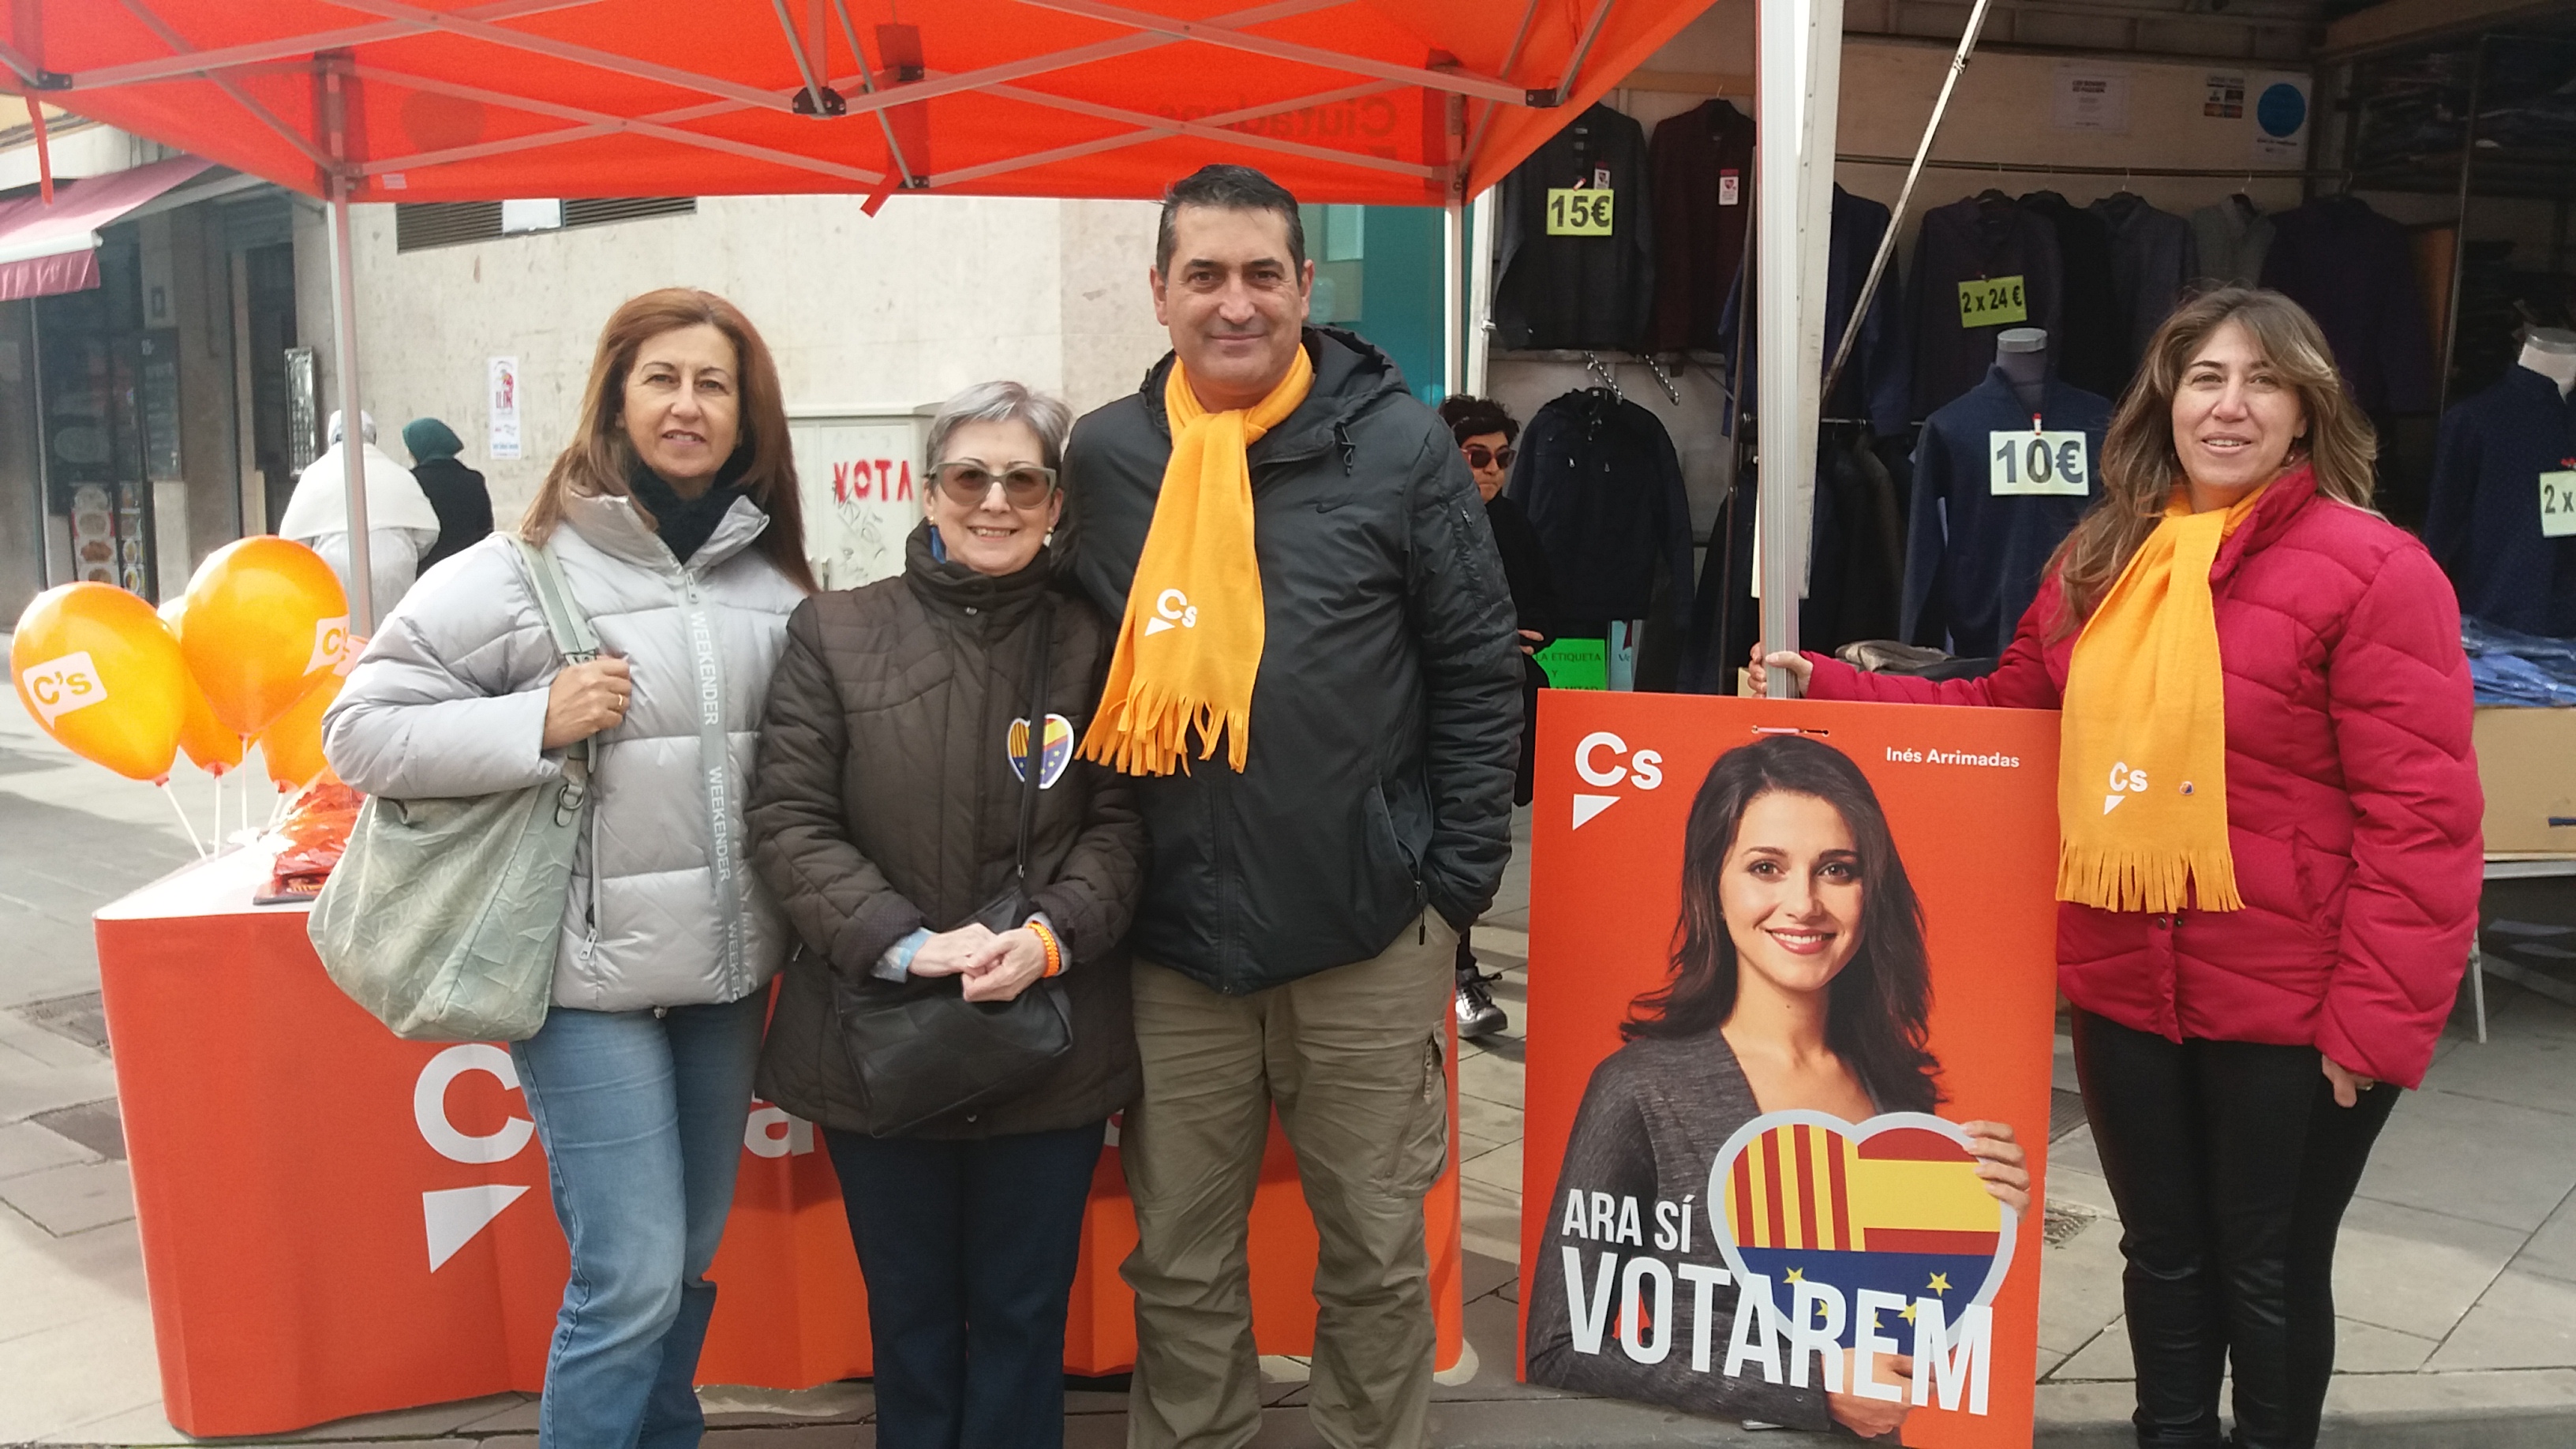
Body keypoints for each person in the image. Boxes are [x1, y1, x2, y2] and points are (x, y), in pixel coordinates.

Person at [1752, 286, 2481, 1449]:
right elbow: (2005, 716)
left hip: (2295, 1006)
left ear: (2307, 412)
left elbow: (2425, 820)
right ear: (2165, 401)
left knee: (2271, 1267)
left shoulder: (2376, 570)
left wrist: (2373, 1026)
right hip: (2126, 984)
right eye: (2205, 379)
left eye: (2262, 382)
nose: (2230, 408)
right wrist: (1830, 688)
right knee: (2165, 1255)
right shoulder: (2102, 559)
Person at [1061, 163, 1522, 1449]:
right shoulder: (1105, 457)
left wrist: (1447, 886)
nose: (1233, 303)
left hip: (1368, 929)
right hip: (1171, 944)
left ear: (1304, 287)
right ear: (1156, 293)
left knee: (1375, 1254)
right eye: (1202, 275)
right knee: (1178, 1260)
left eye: (1262, 273)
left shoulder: (1397, 445)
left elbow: (1480, 667)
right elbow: (1054, 652)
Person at [324, 288, 814, 1448]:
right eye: (663, 379)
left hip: (726, 980)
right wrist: (531, 721)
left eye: (713, 384)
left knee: (688, 1264)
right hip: (581, 987)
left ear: (747, 419)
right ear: (615, 398)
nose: (687, 405)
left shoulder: (778, 589)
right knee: (631, 1272)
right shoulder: (515, 570)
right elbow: (358, 732)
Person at [747, 381, 1147, 1449]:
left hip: (1051, 1038)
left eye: (1024, 479)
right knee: (912, 1322)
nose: (996, 501)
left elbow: (1125, 823)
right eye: (970, 475)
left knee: (1023, 1323)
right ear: (929, 491)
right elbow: (788, 820)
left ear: (1058, 501)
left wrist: (1053, 933)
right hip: (875, 1041)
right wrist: (902, 942)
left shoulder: (1095, 641)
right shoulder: (835, 630)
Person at [1526, 734, 2029, 1439]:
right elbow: (1556, 1347)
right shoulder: (1639, 1089)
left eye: (1837, 870)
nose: (1804, 903)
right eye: (1766, 867)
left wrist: (1988, 1208)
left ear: (1870, 889)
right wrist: (1809, 1391)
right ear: (1714, 884)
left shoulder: (1896, 1093)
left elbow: (1902, 1337)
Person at [1436, 393, 1558, 1040]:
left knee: (1483, 841)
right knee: (1449, 841)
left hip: (1504, 707)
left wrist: (1508, 639)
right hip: (1434, 714)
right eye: (1476, 456)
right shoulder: (1420, 520)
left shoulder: (1511, 523)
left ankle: (1456, 966)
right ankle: (1457, 974)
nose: (1490, 471)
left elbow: (1547, 615)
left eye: (1502, 459)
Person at [280, 409, 441, 623]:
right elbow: (428, 532)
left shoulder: (315, 475)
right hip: (394, 564)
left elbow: (292, 540)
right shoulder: (397, 473)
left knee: (345, 639)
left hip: (335, 566)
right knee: (389, 637)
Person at [401, 415, 496, 571]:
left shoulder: (412, 482)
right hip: (468, 570)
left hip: (427, 576)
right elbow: (486, 532)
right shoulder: (474, 480)